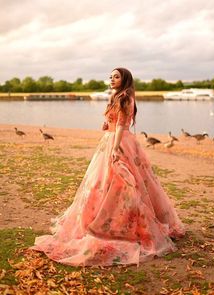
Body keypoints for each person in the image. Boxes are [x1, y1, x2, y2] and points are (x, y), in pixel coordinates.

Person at [30, 68, 185, 266]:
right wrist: (107, 127)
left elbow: (122, 125)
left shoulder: (126, 97)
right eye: (110, 76)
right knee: (101, 182)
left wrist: (116, 147)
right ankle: (99, 218)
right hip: (110, 139)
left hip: (121, 142)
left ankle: (127, 224)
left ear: (125, 79)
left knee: (129, 183)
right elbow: (113, 123)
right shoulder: (115, 96)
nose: (112, 79)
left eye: (116, 76)